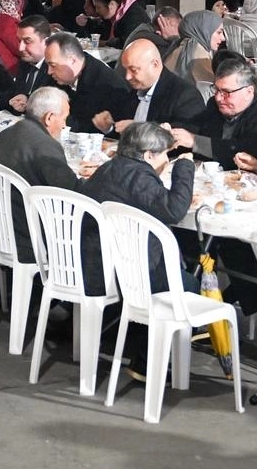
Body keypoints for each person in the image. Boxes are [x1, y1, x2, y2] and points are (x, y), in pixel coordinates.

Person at [79, 122, 193, 375]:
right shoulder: (138, 176)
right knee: (188, 285)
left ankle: (136, 343)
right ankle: (149, 360)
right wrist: (184, 167)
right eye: (165, 154)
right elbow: (174, 209)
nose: (167, 160)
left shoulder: (110, 168)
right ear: (148, 155)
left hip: (95, 258)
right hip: (119, 271)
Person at [0, 86, 80, 263]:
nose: (64, 125)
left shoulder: (4, 135)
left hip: (0, 231)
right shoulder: (44, 145)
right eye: (64, 118)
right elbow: (72, 192)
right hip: (33, 238)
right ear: (49, 117)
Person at [187, 57, 257, 169]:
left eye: (226, 92)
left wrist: (197, 142)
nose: (219, 97)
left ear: (249, 92)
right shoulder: (214, 105)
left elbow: (244, 152)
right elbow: (196, 130)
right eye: (217, 90)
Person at [95, 38, 202, 135]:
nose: (127, 76)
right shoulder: (134, 90)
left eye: (133, 70)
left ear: (154, 64)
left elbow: (185, 138)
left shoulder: (185, 95)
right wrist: (108, 127)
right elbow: (122, 127)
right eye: (125, 69)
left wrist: (141, 129)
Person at [43, 31, 134, 135]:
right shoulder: (59, 76)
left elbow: (111, 131)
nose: (49, 71)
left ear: (72, 61)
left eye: (53, 65)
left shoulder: (107, 86)